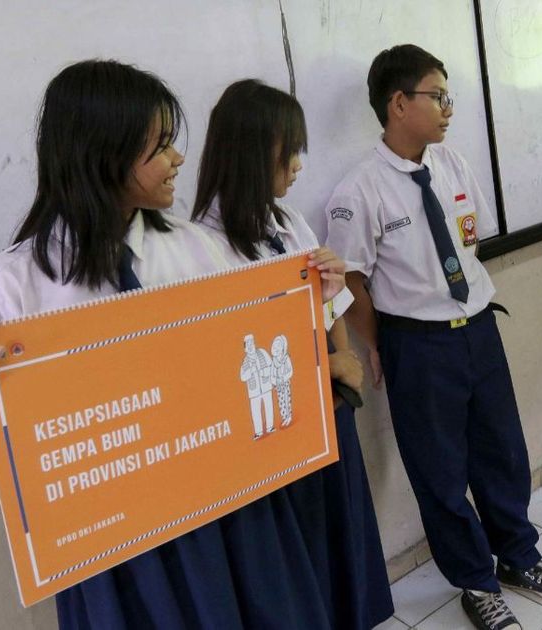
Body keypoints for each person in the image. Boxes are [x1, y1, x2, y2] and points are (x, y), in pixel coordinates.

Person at [0, 60, 349, 629]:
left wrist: (313, 308)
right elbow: (31, 459)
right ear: (107, 151)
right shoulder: (13, 285)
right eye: (162, 145)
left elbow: (244, 382)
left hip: (234, 509)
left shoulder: (200, 252)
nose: (178, 159)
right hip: (123, 550)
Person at [322, 44, 542, 630]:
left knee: (503, 452)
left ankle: (518, 558)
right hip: (417, 344)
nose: (447, 108)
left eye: (448, 97)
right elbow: (352, 280)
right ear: (397, 104)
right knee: (439, 472)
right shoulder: (358, 191)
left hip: (479, 330)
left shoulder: (454, 165)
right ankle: (476, 583)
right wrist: (378, 344)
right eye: (437, 96)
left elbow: (469, 246)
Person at [190, 78, 394, 629]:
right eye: (290, 149)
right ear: (255, 149)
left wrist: (344, 362)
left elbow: (329, 307)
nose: (299, 165)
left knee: (342, 544)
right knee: (292, 571)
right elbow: (223, 357)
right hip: (272, 435)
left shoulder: (287, 222)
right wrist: (329, 367)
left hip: (329, 414)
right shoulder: (201, 247)